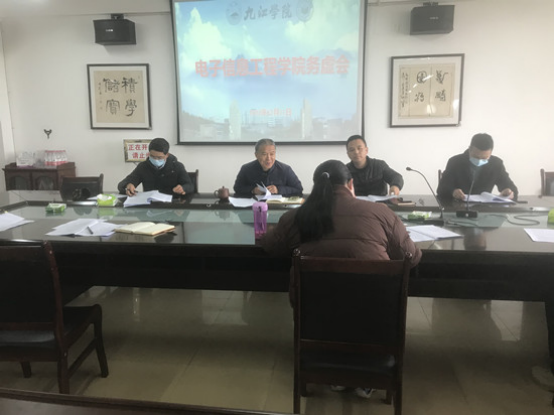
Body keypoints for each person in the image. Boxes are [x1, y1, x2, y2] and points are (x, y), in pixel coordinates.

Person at [261, 159, 421, 399]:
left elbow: (271, 247)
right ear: (351, 184)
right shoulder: (381, 213)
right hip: (377, 320)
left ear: (315, 185)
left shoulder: (297, 217)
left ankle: (329, 369)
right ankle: (367, 375)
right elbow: (412, 257)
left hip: (316, 320)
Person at [437, 133, 518, 201]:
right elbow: (441, 189)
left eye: (484, 158)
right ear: (470, 149)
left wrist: (508, 191)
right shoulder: (455, 161)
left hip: (484, 209)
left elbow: (511, 188)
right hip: (459, 206)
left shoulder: (496, 164)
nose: (479, 160)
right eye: (476, 157)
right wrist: (453, 192)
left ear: (490, 153)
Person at [117, 138, 194, 196]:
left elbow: (190, 186)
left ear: (167, 155)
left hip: (172, 204)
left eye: (159, 157)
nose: (155, 159)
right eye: (152, 156)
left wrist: (183, 188)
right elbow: (121, 185)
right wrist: (128, 185)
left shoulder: (177, 166)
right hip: (150, 205)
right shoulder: (143, 167)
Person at [233, 138, 303, 198]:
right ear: (256, 155)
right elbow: (237, 188)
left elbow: (298, 189)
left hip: (278, 207)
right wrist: (253, 190)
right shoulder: (246, 169)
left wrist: (278, 189)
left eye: (272, 154)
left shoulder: (285, 169)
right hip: (254, 205)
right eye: (264, 154)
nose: (268, 158)